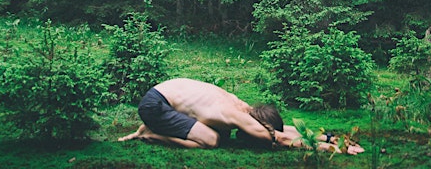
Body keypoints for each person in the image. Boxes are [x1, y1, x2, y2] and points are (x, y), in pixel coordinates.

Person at [118, 78, 364, 155]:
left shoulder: (243, 108)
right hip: (155, 106)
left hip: (165, 97)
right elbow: (279, 139)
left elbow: (280, 130)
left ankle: (153, 129)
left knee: (220, 135)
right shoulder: (235, 114)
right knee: (212, 140)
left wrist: (331, 137)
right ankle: (151, 133)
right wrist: (336, 149)